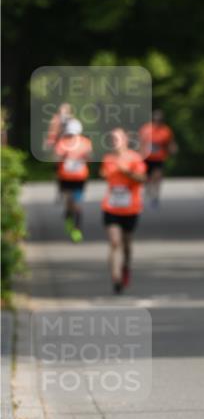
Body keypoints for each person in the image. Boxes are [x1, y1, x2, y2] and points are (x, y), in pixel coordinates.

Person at [100, 128, 147, 294]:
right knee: (114, 242)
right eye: (112, 139)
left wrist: (127, 172)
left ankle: (125, 266)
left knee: (126, 245)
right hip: (111, 208)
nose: (114, 142)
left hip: (130, 209)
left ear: (125, 140)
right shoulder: (108, 159)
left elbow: (142, 178)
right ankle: (116, 277)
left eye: (117, 139)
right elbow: (104, 174)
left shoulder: (134, 158)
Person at [53, 118, 92, 242]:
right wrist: (62, 157)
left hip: (80, 178)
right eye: (69, 133)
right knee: (69, 202)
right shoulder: (62, 142)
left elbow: (90, 158)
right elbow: (56, 159)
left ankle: (77, 229)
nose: (71, 136)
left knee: (77, 204)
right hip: (65, 178)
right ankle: (69, 217)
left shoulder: (85, 142)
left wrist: (85, 157)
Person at [138, 109, 177, 207]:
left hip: (158, 158)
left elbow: (170, 143)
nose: (157, 121)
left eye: (159, 120)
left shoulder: (166, 131)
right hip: (146, 158)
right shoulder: (145, 129)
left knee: (157, 177)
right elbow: (140, 142)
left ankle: (155, 196)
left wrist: (173, 149)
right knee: (146, 178)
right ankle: (147, 192)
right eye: (155, 119)